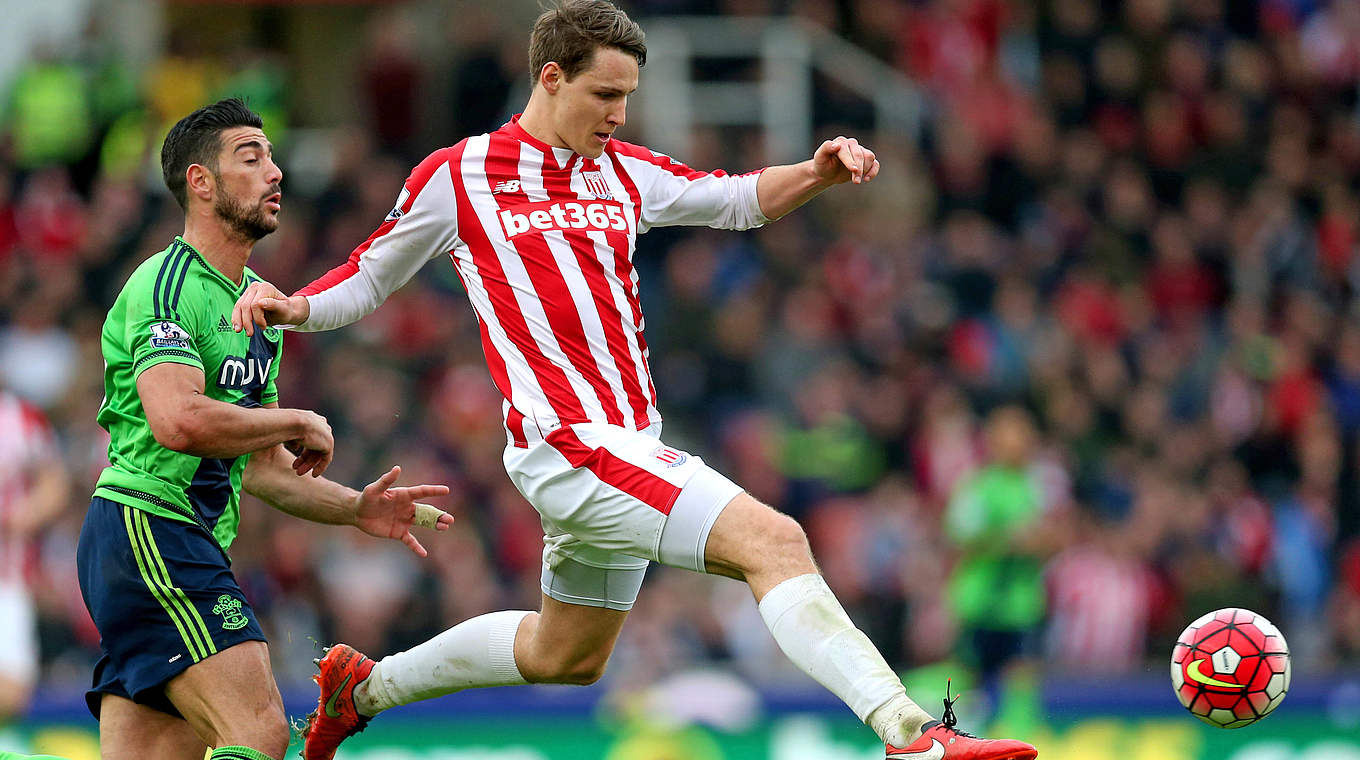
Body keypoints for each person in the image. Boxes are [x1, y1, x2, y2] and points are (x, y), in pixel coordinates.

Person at [234, 3, 1039, 759]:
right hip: (567, 444)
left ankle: (361, 689)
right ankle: (908, 732)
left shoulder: (619, 171)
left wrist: (817, 172)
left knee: (567, 654)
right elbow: (370, 278)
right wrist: (293, 306)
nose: (620, 113)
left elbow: (731, 201)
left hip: (625, 444)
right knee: (775, 539)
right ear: (550, 77)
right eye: (605, 94)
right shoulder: (463, 173)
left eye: (628, 95)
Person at [78, 98, 454, 760]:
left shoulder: (256, 305)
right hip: (149, 528)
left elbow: (263, 468)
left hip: (169, 542)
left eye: (273, 157)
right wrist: (298, 417)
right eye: (252, 159)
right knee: (259, 733)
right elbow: (177, 420)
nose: (275, 172)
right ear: (201, 182)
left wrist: (355, 508)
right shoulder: (167, 285)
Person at [0, 387, 69, 726]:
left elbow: (54, 481)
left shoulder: (20, 417)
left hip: (8, 579)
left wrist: (25, 514)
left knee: (14, 693)